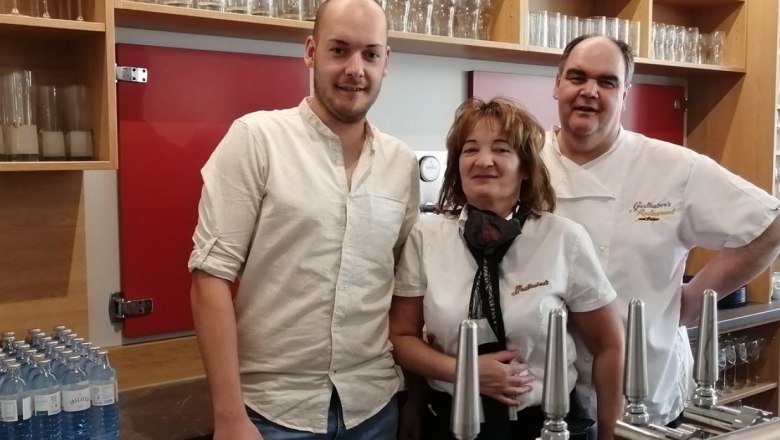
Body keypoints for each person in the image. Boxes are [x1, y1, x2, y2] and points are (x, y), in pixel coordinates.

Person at [187, 0, 421, 438]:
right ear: (311, 51)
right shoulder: (256, 139)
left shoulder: (401, 163)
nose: (355, 68)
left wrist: (415, 396)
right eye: (339, 50)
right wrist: (229, 416)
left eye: (370, 53)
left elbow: (405, 290)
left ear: (386, 61)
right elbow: (210, 278)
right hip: (272, 412)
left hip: (374, 406)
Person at [542, 35, 780, 426]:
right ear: (557, 84)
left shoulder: (672, 167)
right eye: (577, 77)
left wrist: (692, 299)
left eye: (607, 82)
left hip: (644, 385)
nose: (589, 91)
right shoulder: (525, 162)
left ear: (625, 93)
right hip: (545, 390)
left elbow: (769, 225)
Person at [390, 97, 624, 440]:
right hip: (449, 424)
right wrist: (466, 372)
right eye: (470, 150)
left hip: (547, 426)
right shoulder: (427, 237)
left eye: (501, 150)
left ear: (526, 166)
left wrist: (610, 434)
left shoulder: (562, 239)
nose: (483, 161)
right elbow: (401, 337)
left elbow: (610, 345)